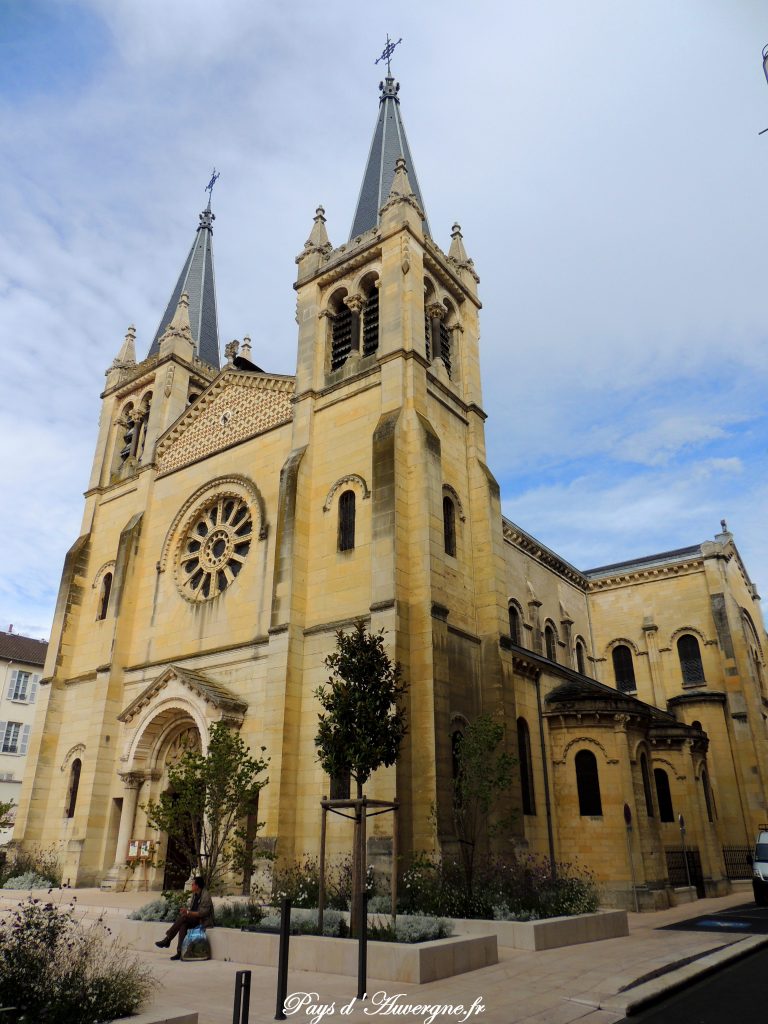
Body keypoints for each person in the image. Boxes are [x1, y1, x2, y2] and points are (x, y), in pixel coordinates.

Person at [155, 875, 214, 960]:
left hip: (203, 921)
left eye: (193, 884)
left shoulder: (206, 896)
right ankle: (180, 952)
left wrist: (188, 912)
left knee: (184, 918)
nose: (191, 886)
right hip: (194, 919)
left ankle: (167, 939)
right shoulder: (195, 894)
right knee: (183, 925)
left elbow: (202, 913)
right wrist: (187, 912)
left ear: (197, 886)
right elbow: (192, 910)